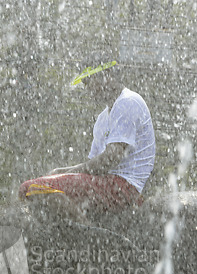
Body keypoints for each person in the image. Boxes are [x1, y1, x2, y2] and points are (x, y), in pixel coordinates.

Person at [19, 54, 156, 213]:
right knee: (39, 187)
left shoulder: (128, 102)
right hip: (106, 183)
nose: (87, 88)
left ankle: (85, 230)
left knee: (30, 188)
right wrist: (60, 172)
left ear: (107, 76)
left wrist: (67, 173)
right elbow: (93, 164)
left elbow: (110, 158)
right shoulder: (102, 118)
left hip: (123, 187)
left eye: (89, 81)